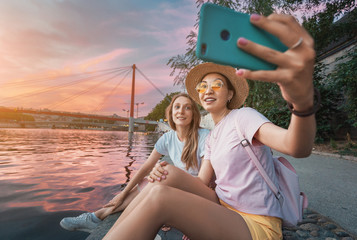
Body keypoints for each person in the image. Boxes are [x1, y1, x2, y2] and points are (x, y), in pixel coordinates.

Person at [103, 12, 318, 240]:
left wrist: (303, 103)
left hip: (255, 224)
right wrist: (175, 189)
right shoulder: (213, 136)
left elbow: (296, 147)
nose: (208, 90)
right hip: (223, 209)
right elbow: (202, 183)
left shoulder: (243, 116)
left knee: (159, 198)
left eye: (217, 85)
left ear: (230, 94)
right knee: (163, 174)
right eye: (203, 86)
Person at [59, 93, 210, 233]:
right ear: (171, 113)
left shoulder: (203, 136)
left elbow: (204, 182)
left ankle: (97, 219)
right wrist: (122, 194)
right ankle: (96, 217)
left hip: (198, 193)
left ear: (194, 114)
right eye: (177, 107)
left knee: (162, 176)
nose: (181, 111)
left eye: (187, 107)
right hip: (176, 186)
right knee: (148, 180)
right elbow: (145, 168)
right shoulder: (168, 138)